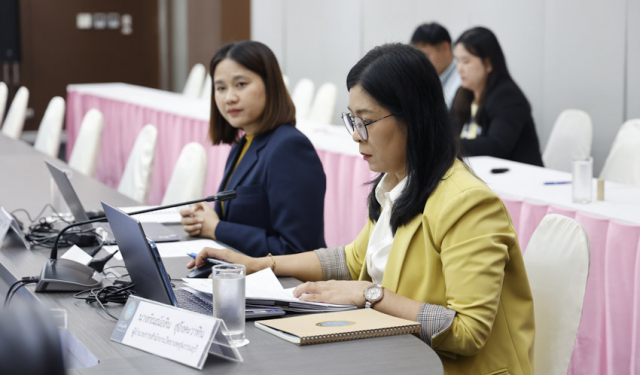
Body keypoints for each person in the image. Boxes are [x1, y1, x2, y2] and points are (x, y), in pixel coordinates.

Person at [189, 43, 535, 374]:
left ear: (413, 117)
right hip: (394, 355)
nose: (355, 135)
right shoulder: (398, 183)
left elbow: (466, 331)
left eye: (365, 121)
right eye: (351, 120)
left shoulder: (467, 202)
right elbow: (350, 259)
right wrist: (261, 264)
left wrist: (368, 294)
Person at [180, 41, 326, 257]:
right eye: (221, 88)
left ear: (270, 85)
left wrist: (217, 229)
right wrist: (206, 220)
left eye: (240, 84)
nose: (229, 98)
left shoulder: (290, 147)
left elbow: (298, 250)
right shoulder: (243, 143)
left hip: (279, 278)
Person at [452, 27, 544, 166]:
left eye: (465, 62)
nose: (459, 69)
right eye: (457, 61)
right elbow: (448, 132)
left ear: (488, 64)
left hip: (516, 176)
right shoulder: (463, 94)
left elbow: (497, 146)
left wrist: (449, 145)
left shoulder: (508, 97)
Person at [411, 22, 461, 108]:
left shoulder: (462, 80)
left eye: (425, 55)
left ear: (445, 48)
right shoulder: (429, 78)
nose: (421, 62)